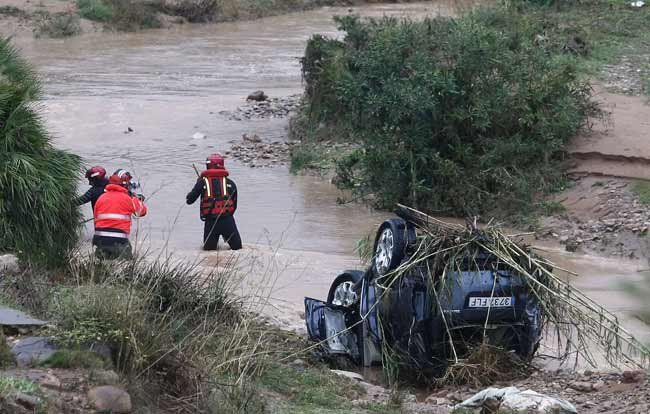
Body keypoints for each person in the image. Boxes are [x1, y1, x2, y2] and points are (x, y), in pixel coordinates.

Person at [186, 154, 242, 251]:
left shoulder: (202, 183)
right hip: (228, 221)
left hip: (211, 223)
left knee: (208, 253)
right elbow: (234, 205)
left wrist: (198, 184)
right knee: (238, 249)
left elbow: (189, 200)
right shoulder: (231, 183)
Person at [93, 169, 147, 259]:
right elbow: (142, 212)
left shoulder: (101, 198)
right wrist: (137, 199)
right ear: (125, 185)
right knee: (125, 265)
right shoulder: (128, 199)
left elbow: (95, 218)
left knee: (102, 265)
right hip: (119, 240)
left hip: (99, 239)